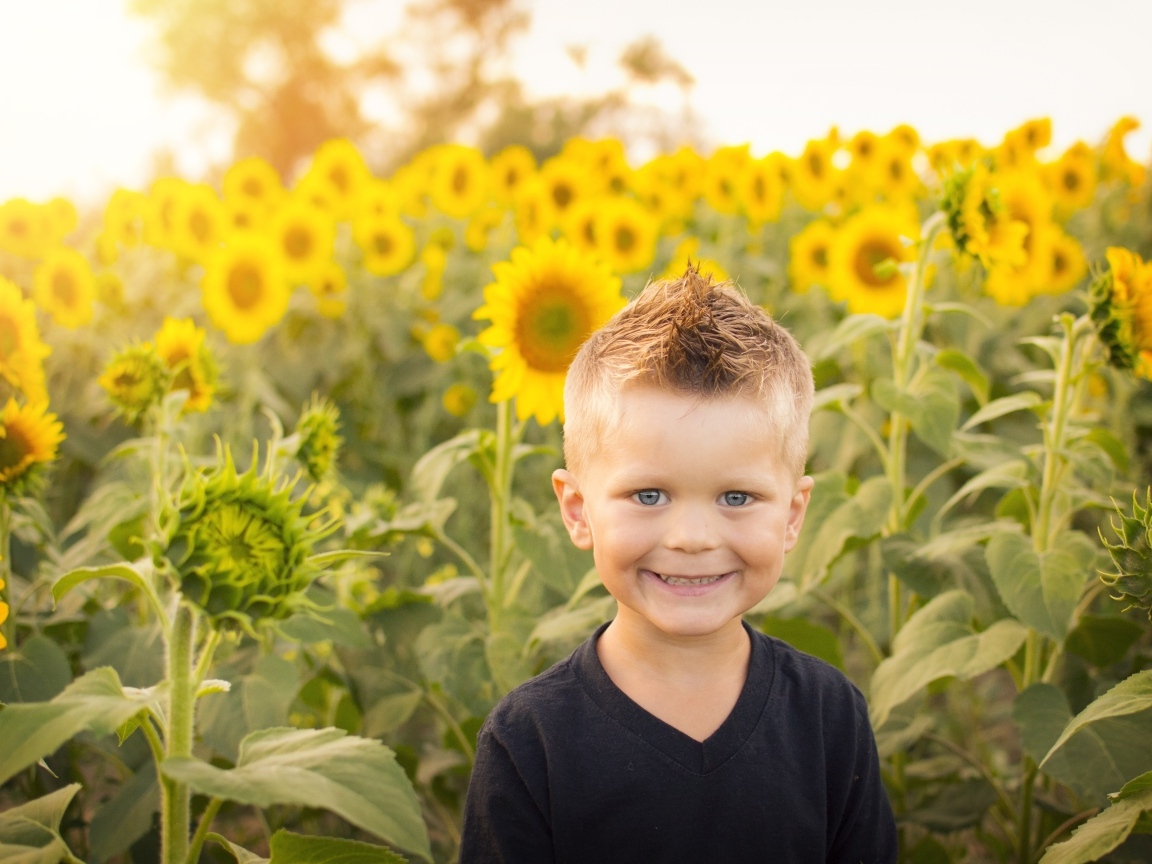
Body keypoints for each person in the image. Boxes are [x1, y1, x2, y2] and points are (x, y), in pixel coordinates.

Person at [459, 265, 898, 863]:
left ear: (793, 515)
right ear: (578, 509)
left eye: (736, 498)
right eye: (649, 495)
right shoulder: (530, 742)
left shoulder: (828, 721)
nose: (692, 538)